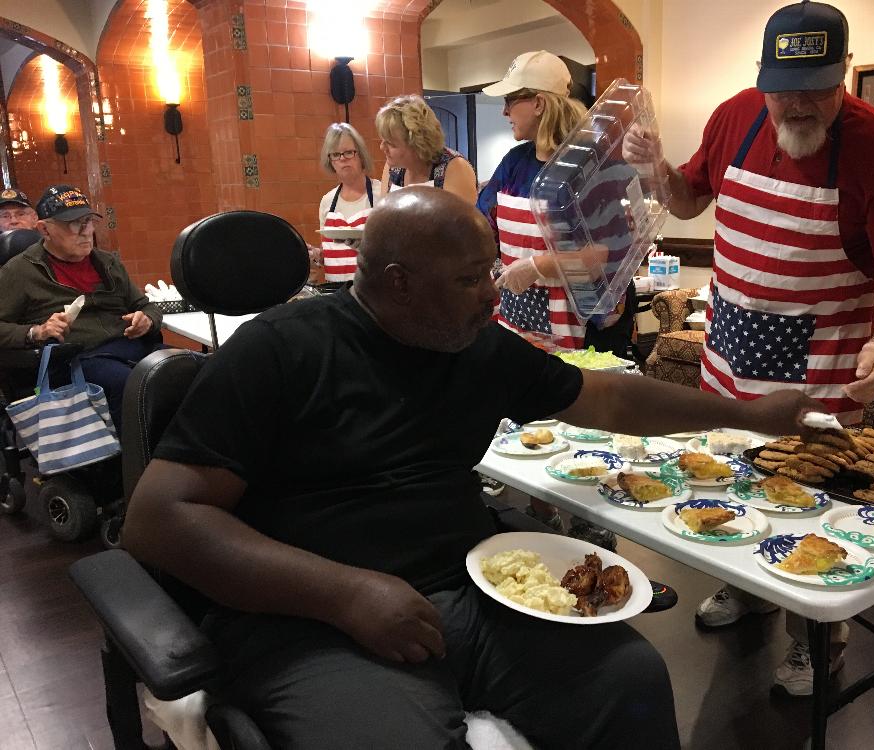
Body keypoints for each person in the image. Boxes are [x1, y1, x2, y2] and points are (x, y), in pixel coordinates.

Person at [122, 187, 821, 749]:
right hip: (307, 620)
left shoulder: (472, 345)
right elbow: (159, 521)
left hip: (466, 597)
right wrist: (346, 595)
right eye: (468, 280)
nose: (494, 295)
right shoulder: (278, 351)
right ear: (397, 283)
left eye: (490, 272)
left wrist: (753, 414)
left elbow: (606, 395)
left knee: (630, 678)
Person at [623, 1, 874, 697]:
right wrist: (655, 169)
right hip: (731, 351)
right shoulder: (735, 116)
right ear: (761, 77)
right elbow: (686, 202)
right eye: (783, 86)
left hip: (821, 371)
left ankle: (816, 641)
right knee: (730, 481)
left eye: (816, 87)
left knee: (808, 501)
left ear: (844, 76)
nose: (796, 104)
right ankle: (748, 588)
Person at [477, 50, 637, 546]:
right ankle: (543, 511)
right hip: (520, 312)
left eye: (511, 102)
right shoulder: (514, 162)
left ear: (540, 103)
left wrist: (537, 266)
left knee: (582, 419)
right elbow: (485, 224)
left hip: (583, 319)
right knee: (532, 411)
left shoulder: (597, 166)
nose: (505, 113)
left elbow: (604, 254)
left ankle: (594, 522)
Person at [0, 185, 163, 432]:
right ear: (44, 229)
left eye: (88, 222)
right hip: (74, 359)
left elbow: (145, 305)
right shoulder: (19, 271)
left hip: (128, 348)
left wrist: (147, 320)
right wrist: (36, 331)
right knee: (132, 384)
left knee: (187, 367)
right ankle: (134, 464)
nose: (85, 232)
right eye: (73, 224)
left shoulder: (107, 263)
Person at [376, 94, 479, 204]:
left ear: (417, 144)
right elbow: (383, 214)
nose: (382, 147)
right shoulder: (393, 167)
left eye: (391, 144)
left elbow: (464, 220)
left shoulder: (455, 168)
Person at [315, 122, 381, 287]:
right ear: (330, 161)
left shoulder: (382, 194)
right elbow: (331, 254)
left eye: (348, 152)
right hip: (335, 292)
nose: (342, 159)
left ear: (361, 155)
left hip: (372, 290)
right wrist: (316, 256)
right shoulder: (327, 201)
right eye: (336, 154)